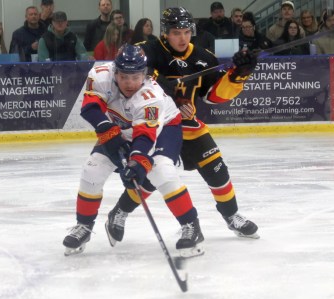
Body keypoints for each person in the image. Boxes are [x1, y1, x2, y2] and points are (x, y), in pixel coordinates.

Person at [105, 7, 259, 249]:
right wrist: (159, 83)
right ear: (166, 32)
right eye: (176, 32)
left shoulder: (204, 57)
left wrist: (239, 73)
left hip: (188, 126)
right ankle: (119, 212)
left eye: (187, 32)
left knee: (218, 171)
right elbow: (127, 72)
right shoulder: (149, 50)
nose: (182, 38)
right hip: (157, 128)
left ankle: (231, 216)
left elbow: (214, 97)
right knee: (150, 179)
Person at [63, 44, 204, 257]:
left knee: (161, 170)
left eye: (136, 77)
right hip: (121, 127)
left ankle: (191, 227)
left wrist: (137, 162)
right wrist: (107, 131)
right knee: (92, 169)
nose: (129, 83)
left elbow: (146, 136)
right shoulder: (100, 75)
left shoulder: (152, 96)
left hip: (163, 127)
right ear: (115, 72)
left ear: (145, 74)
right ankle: (83, 226)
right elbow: (90, 108)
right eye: (124, 76)